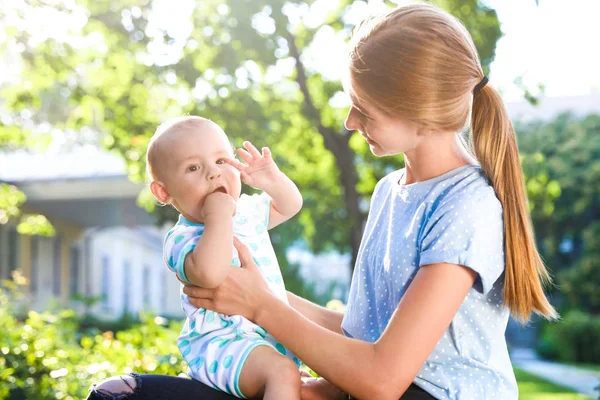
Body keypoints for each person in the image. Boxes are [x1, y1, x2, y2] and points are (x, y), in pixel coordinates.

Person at [87, 3, 557, 400]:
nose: (351, 121)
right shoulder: (390, 191)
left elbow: (383, 378)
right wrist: (256, 293)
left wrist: (262, 308)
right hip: (369, 390)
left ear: (422, 115)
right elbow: (363, 334)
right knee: (119, 394)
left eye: (364, 108)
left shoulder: (466, 206)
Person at [126, 116, 304, 399]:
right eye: (193, 168)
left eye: (221, 161)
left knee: (303, 380)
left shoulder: (246, 213)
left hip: (268, 339)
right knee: (282, 373)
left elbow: (290, 205)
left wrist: (272, 180)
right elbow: (210, 274)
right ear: (164, 191)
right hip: (224, 345)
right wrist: (218, 214)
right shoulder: (182, 239)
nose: (213, 174)